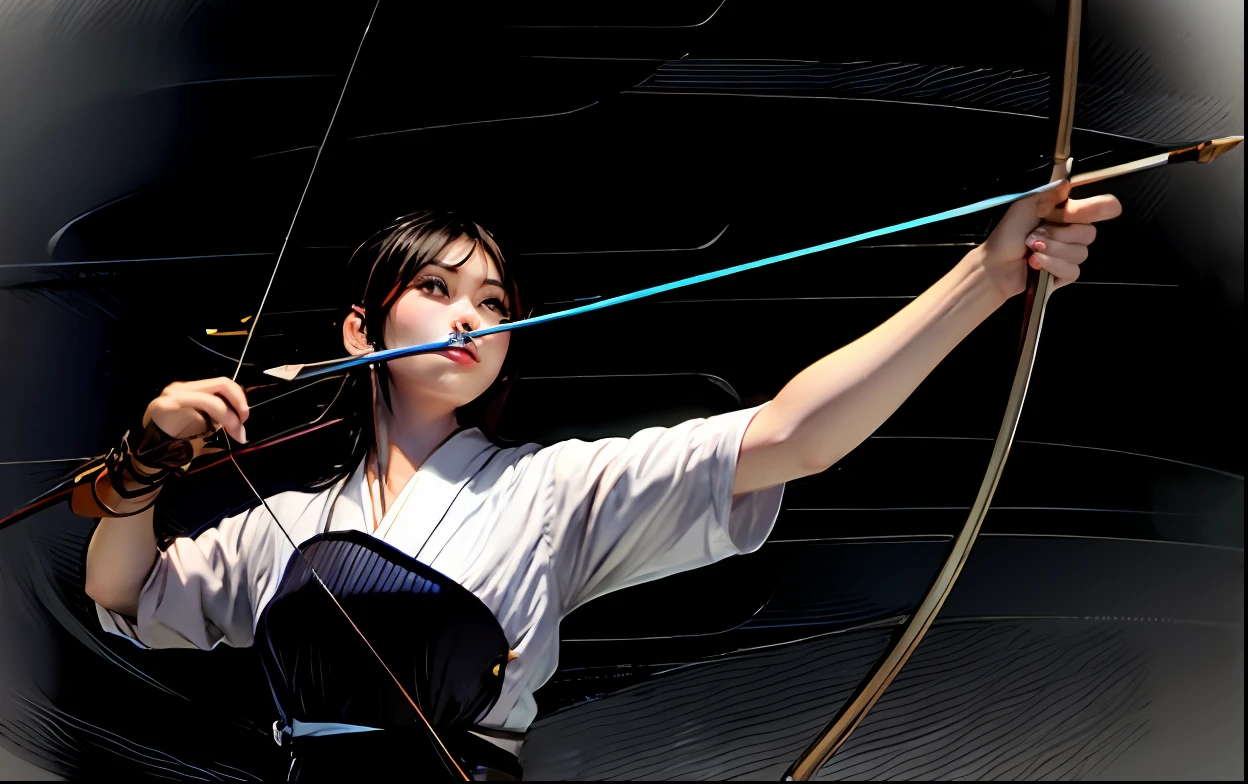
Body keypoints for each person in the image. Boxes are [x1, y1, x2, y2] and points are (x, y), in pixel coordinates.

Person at [84, 183, 1120, 779]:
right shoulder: (286, 523)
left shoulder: (551, 492)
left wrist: (986, 277)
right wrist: (144, 460)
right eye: (435, 288)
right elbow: (121, 593)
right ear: (360, 328)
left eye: (492, 299)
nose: (470, 316)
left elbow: (795, 434)